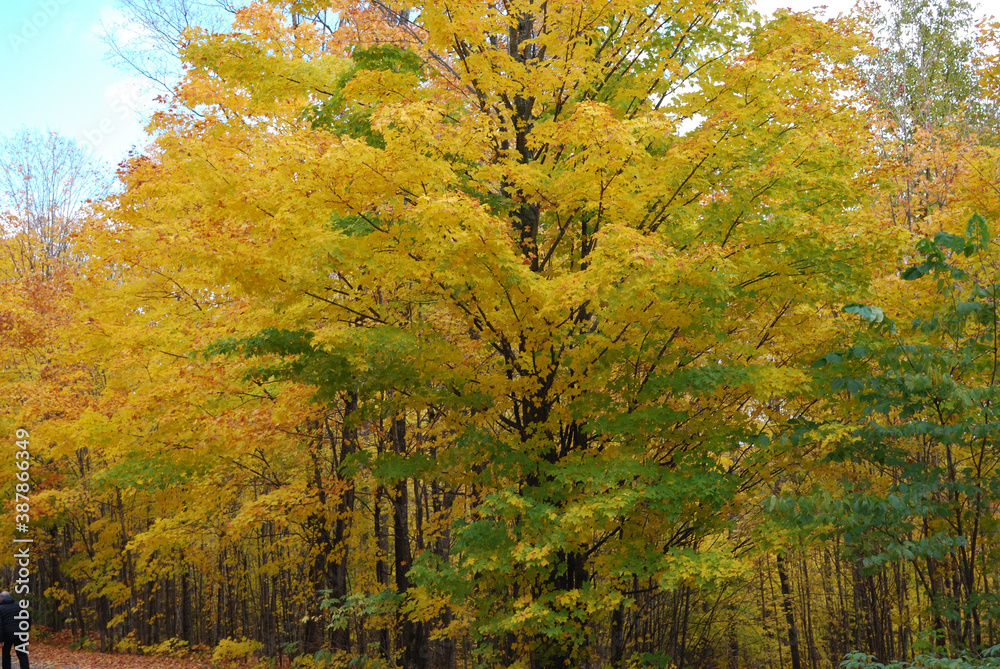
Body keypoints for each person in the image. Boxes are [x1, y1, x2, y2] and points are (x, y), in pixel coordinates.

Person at [0, 591, 28, 669]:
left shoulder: (1, 608)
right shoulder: (19, 605)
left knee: (6, 655)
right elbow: (27, 618)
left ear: (1, 598)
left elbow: (0, 625)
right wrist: (25, 629)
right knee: (22, 654)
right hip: (20, 634)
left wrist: (1, 639)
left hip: (7, 635)